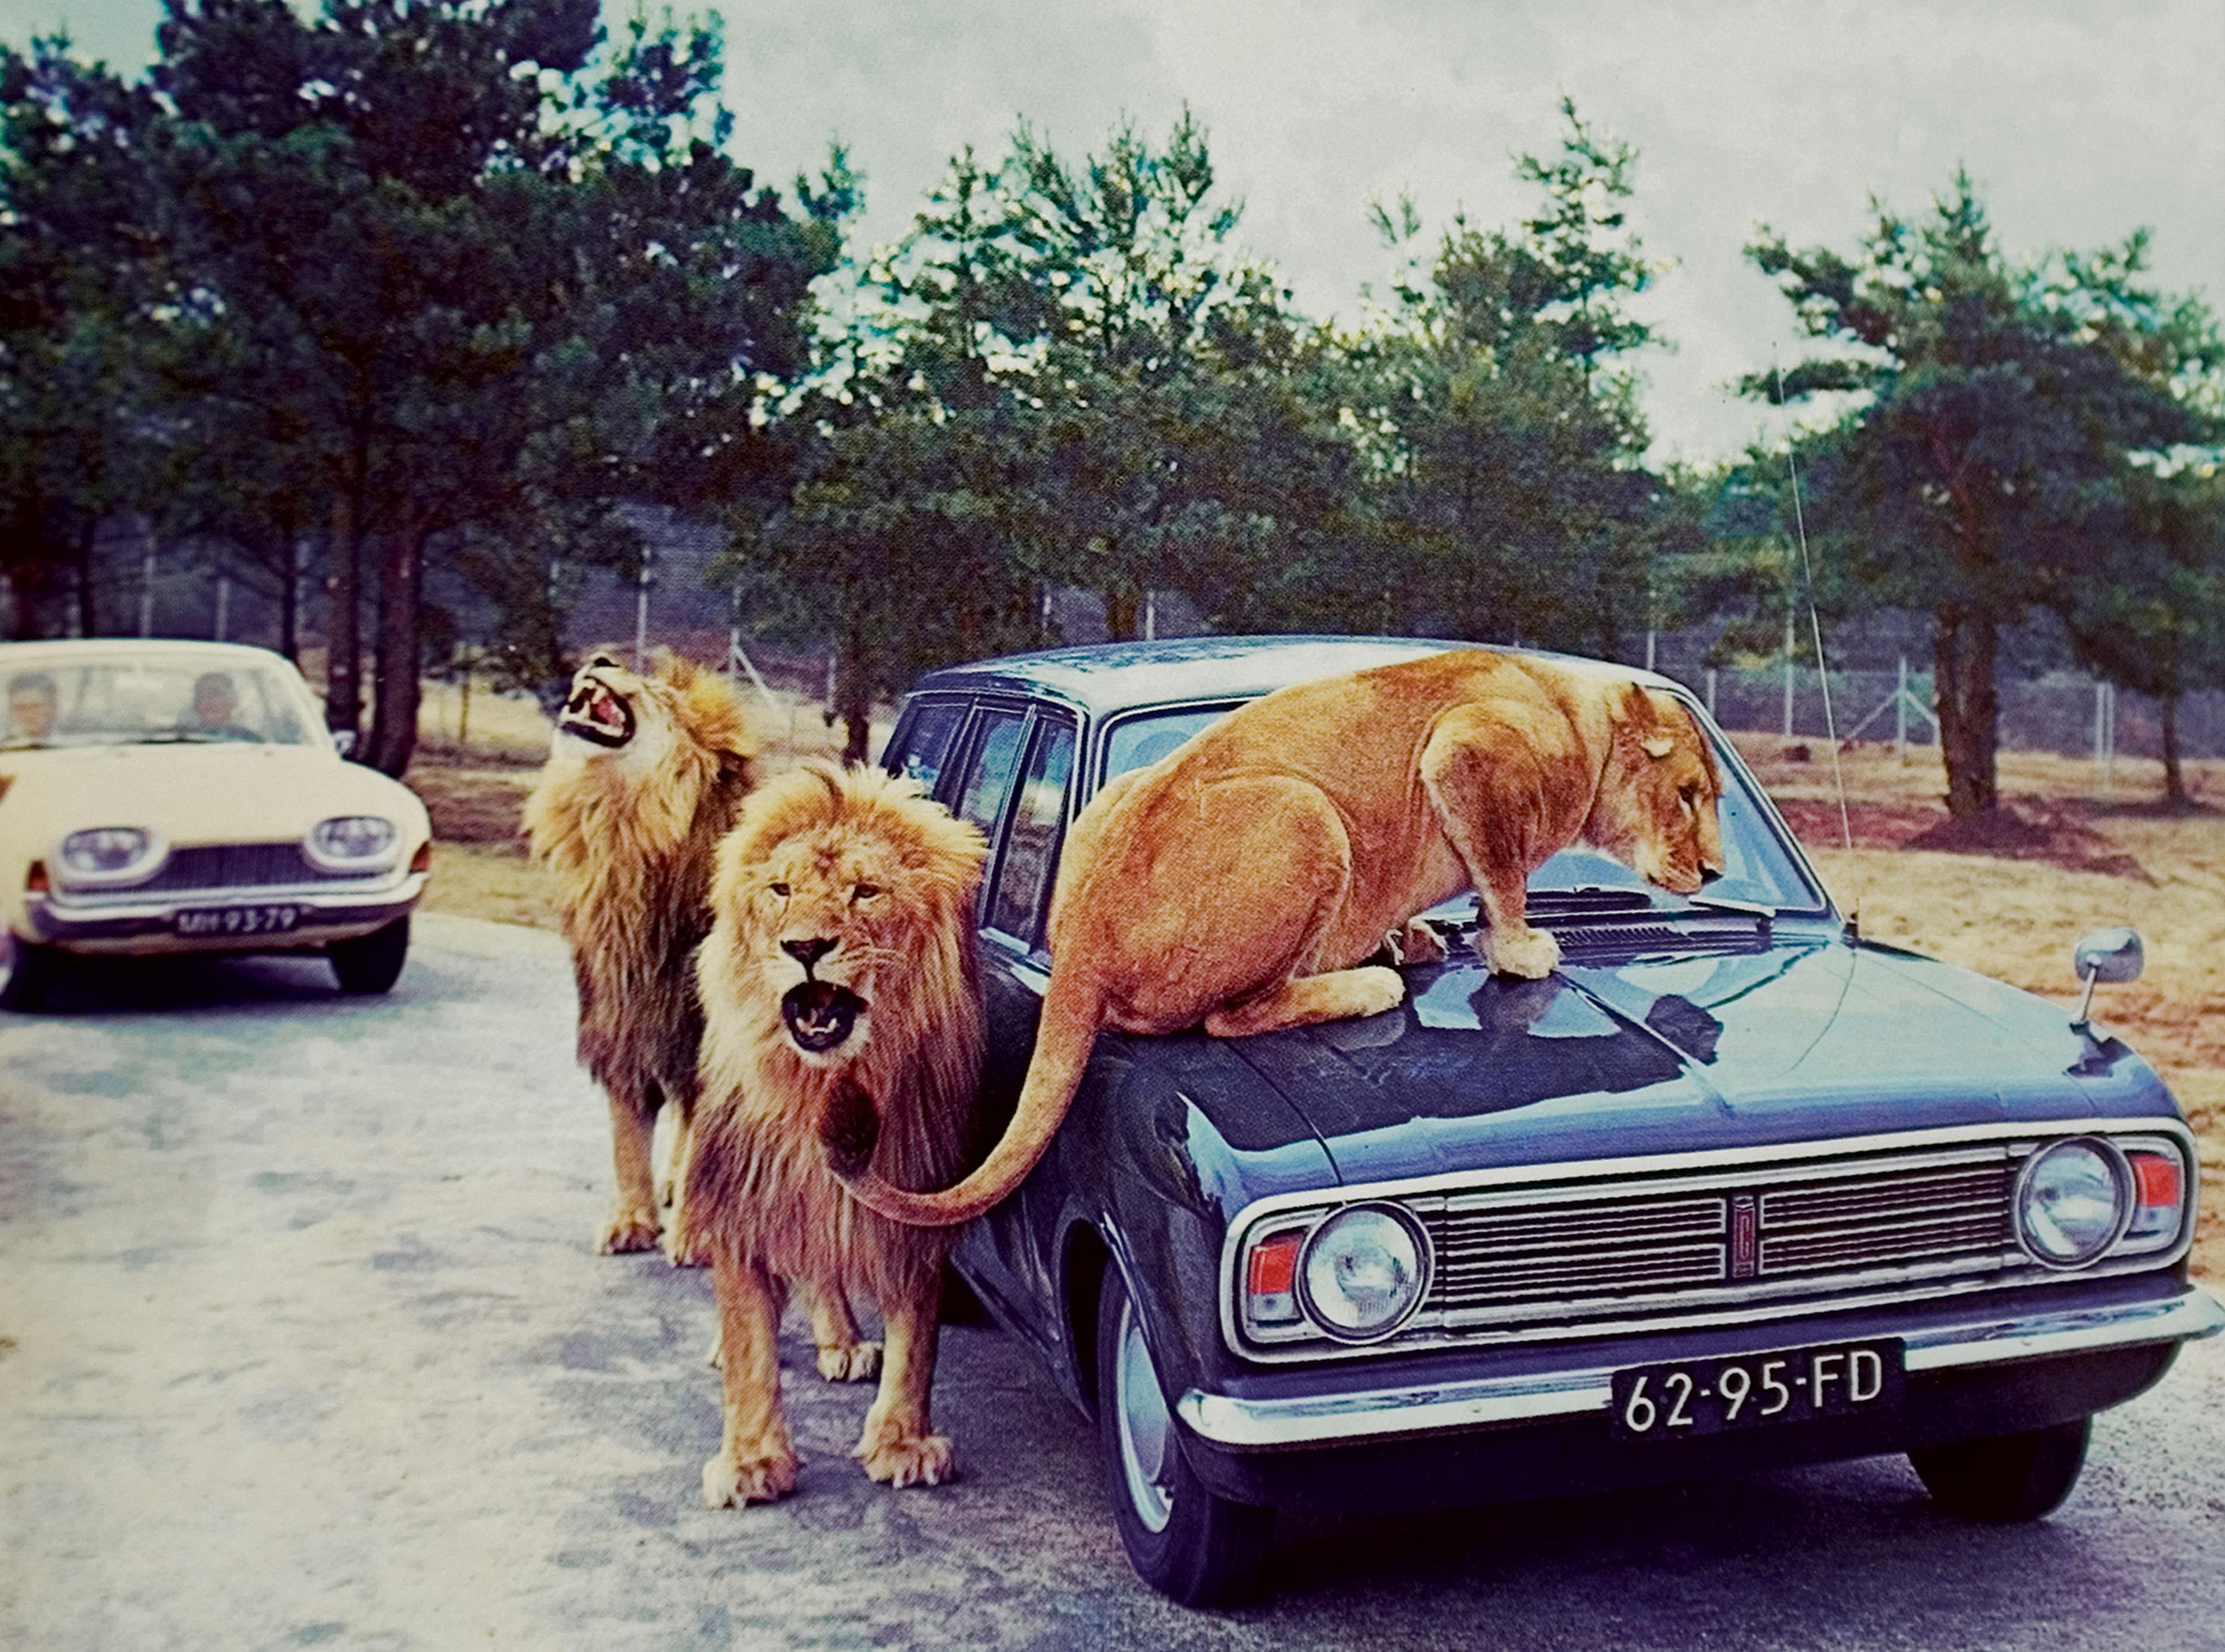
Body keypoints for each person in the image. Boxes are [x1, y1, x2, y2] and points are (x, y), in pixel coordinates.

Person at [185, 671, 258, 741]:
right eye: (203, 695)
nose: (210, 701)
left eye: (216, 694)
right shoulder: (184, 738)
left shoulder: (249, 739)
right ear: (196, 704)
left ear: (232, 701)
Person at [6, 671, 57, 746]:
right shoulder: (6, 748)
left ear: (52, 708)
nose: (29, 714)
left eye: (35, 707)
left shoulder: (74, 741)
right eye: (21, 708)